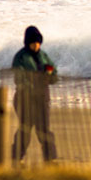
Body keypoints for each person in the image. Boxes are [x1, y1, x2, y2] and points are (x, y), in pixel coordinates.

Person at [11, 25, 58, 163]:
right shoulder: (20, 57)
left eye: (38, 43)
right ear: (27, 43)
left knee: (43, 129)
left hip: (42, 98)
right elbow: (18, 78)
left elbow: (53, 73)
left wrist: (50, 75)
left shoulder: (44, 56)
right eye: (33, 43)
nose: (36, 45)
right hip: (24, 99)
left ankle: (50, 159)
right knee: (25, 128)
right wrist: (31, 86)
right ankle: (16, 158)